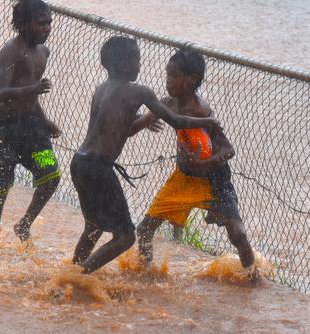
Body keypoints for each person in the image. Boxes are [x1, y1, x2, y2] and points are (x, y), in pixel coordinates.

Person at [70, 37, 220, 274]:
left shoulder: (102, 89)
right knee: (126, 237)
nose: (140, 66)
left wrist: (144, 120)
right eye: (137, 60)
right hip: (99, 168)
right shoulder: (139, 91)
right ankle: (79, 276)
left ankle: (71, 271)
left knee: (94, 226)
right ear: (124, 63)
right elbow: (177, 120)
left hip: (80, 163)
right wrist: (209, 121)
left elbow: (124, 131)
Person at [136, 49, 255, 271]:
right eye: (167, 75)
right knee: (144, 229)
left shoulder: (202, 111)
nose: (167, 81)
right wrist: (146, 121)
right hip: (183, 176)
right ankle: (145, 273)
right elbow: (141, 119)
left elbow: (228, 149)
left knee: (238, 234)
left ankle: (253, 277)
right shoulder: (167, 104)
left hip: (213, 179)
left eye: (173, 76)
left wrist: (203, 163)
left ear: (191, 80)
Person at [0, 0, 61, 250]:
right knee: (0, 187)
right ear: (23, 24)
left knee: (50, 174)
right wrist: (33, 88)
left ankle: (24, 224)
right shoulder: (11, 51)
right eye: (41, 23)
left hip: (32, 129)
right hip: (3, 130)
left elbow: (32, 94)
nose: (47, 28)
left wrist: (45, 122)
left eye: (49, 23)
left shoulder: (43, 52)